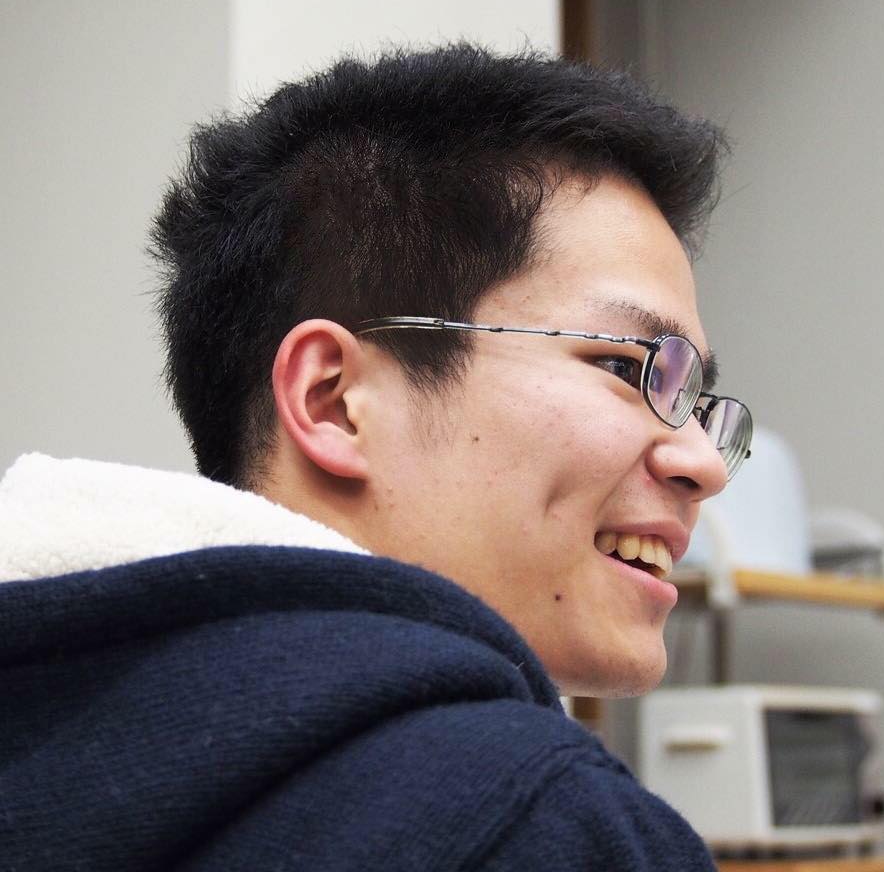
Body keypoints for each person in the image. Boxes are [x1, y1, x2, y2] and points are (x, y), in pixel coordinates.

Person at [0, 44, 752, 870]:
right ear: (333, 401)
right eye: (627, 368)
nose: (704, 463)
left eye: (695, 398)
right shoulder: (540, 824)